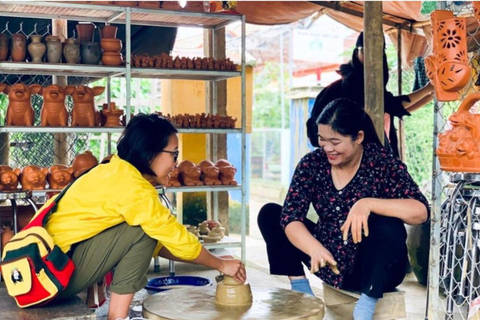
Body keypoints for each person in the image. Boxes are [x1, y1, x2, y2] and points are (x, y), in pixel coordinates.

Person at [40, 113, 246, 320]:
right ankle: (117, 317)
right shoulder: (134, 188)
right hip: (50, 276)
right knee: (141, 230)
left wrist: (215, 260)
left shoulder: (116, 170)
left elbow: (158, 244)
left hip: (47, 270)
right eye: (174, 154)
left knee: (145, 231)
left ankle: (116, 314)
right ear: (150, 153)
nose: (176, 163)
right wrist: (220, 265)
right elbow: (177, 240)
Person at [258, 99, 429, 320]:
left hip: (376, 269)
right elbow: (291, 216)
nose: (327, 148)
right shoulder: (312, 164)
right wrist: (314, 249)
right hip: (329, 260)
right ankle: (301, 289)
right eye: (322, 139)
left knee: (389, 224)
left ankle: (366, 306)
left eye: (335, 141)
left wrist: (367, 204)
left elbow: (420, 211)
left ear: (358, 137)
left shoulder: (381, 163)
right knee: (271, 213)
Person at [306, 31, 434, 158]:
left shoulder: (372, 83)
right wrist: (428, 88)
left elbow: (394, 109)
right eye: (366, 50)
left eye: (378, 51)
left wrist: (431, 94)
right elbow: (393, 105)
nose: (372, 55)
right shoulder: (354, 82)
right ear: (357, 53)